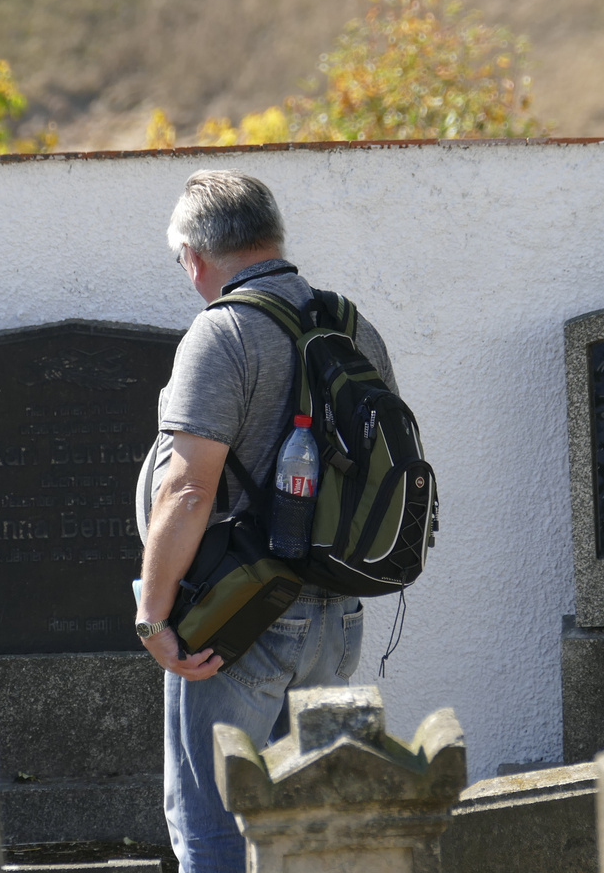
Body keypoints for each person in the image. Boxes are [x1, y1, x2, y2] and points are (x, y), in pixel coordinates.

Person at [134, 169, 398, 873]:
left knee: (214, 829)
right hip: (340, 611)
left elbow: (188, 490)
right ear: (273, 235)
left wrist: (154, 616)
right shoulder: (353, 324)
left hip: (238, 620)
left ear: (194, 255)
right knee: (313, 828)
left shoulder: (222, 333)